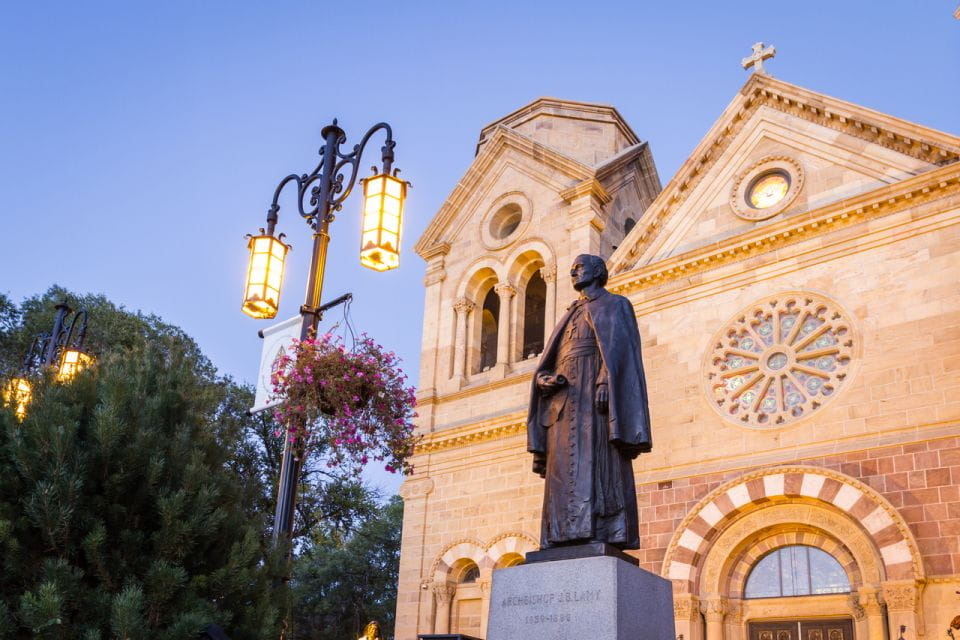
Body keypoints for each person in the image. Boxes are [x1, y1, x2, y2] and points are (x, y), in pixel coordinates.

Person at [527, 254, 652, 550]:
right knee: (561, 470)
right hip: (563, 400)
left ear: (598, 271)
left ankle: (600, 529)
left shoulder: (616, 304)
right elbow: (550, 359)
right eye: (571, 268)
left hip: (594, 399)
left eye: (580, 267)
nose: (573, 272)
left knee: (597, 460)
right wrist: (544, 379)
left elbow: (620, 351)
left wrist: (606, 379)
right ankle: (560, 534)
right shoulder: (568, 314)